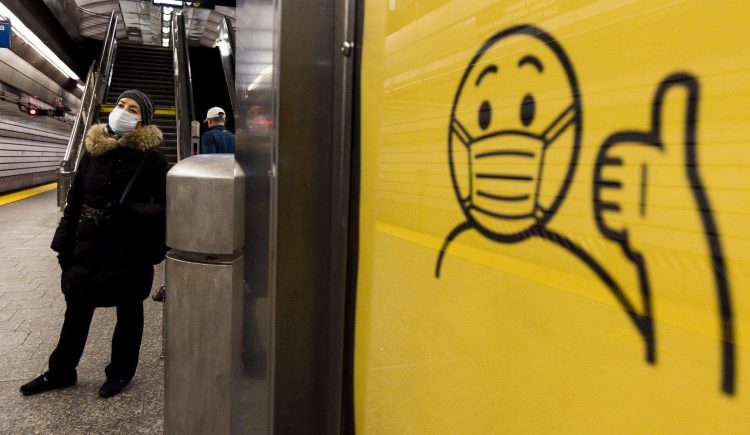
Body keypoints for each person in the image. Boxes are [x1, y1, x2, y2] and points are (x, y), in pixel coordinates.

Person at [19, 90, 168, 398]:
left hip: (128, 247)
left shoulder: (152, 161)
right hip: (88, 243)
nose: (124, 111)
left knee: (129, 311)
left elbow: (169, 207)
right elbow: (74, 201)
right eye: (122, 105)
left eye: (134, 109)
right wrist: (62, 243)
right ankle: (61, 371)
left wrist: (131, 212)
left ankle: (120, 372)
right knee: (76, 309)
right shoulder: (92, 152)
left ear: (143, 121)